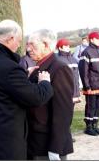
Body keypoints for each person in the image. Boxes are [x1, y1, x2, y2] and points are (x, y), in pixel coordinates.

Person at [0, 20, 53, 160]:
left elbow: (0, 87)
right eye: (19, 41)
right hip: (5, 144)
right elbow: (35, 97)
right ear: (10, 38)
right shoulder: (8, 67)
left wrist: (22, 77)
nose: (20, 46)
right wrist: (45, 83)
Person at [26, 29, 74, 160]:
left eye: (32, 44)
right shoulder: (39, 67)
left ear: (46, 45)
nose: (28, 49)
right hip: (36, 142)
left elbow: (63, 112)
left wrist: (55, 148)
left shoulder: (59, 68)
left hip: (47, 145)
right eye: (27, 44)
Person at [78, 31, 99, 136]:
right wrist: (87, 86)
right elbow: (83, 71)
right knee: (91, 106)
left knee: (98, 106)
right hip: (91, 85)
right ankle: (89, 126)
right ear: (91, 40)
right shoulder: (86, 52)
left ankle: (95, 125)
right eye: (97, 38)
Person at [56, 38, 81, 104]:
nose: (68, 47)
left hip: (75, 91)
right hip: (65, 92)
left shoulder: (73, 59)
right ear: (60, 48)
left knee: (71, 112)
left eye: (68, 45)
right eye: (65, 46)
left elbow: (76, 75)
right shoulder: (58, 60)